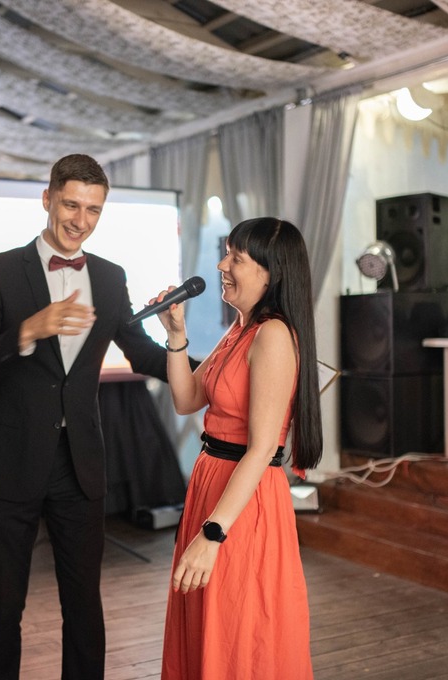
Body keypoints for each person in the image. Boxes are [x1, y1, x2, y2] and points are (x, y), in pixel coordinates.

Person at [0, 154, 177, 680]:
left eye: (93, 210)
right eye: (71, 205)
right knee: (4, 609)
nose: (81, 220)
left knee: (84, 606)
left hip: (79, 465)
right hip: (8, 463)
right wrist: (27, 331)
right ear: (48, 199)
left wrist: (204, 362)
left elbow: (141, 354)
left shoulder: (110, 277)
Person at [156, 217, 322, 679]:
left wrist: (212, 534)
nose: (221, 265)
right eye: (226, 253)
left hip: (243, 501)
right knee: (206, 622)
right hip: (211, 483)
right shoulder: (241, 328)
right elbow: (187, 399)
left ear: (270, 273)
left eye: (236, 258)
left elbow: (262, 449)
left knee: (237, 629)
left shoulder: (274, 335)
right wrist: (176, 336)